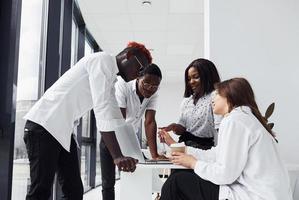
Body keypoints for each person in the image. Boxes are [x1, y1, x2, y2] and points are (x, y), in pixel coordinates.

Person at [23, 41, 152, 200]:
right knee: (40, 192)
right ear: (129, 56)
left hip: (62, 132)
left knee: (74, 192)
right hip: (44, 126)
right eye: (140, 69)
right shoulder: (102, 61)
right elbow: (102, 110)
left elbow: (116, 119)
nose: (138, 75)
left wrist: (131, 154)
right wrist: (117, 156)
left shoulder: (111, 80)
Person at [160, 77, 292, 200]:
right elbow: (217, 154)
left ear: (229, 97)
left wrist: (193, 163)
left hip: (255, 195)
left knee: (175, 183)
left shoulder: (235, 120)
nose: (212, 99)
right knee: (180, 178)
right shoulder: (244, 118)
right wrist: (184, 151)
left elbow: (225, 175)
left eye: (217, 94)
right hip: (267, 194)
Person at [100, 63, 165, 200]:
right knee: (108, 181)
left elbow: (150, 121)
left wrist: (155, 155)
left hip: (130, 137)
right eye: (146, 84)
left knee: (137, 175)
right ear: (138, 78)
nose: (150, 89)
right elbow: (119, 121)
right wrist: (118, 155)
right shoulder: (123, 85)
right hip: (111, 136)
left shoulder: (154, 93)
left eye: (154, 87)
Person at [159, 58, 221, 150]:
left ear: (207, 76)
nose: (191, 82)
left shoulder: (215, 97)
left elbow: (220, 128)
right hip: (184, 144)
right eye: (189, 79)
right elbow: (183, 129)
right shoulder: (187, 101)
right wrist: (173, 127)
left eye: (196, 77)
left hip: (203, 147)